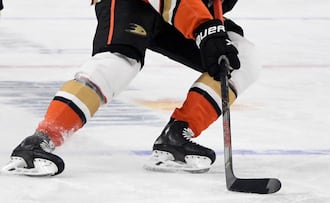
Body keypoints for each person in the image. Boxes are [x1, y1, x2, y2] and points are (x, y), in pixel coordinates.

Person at [2, 0, 260, 175]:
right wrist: (204, 28)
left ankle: (177, 138)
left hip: (184, 8)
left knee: (240, 58)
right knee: (120, 61)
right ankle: (39, 142)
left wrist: (210, 28)